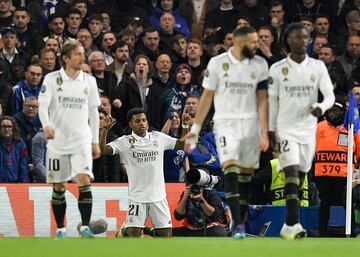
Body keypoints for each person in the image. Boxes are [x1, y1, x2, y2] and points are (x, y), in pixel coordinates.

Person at [185, 26, 270, 239]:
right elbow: (206, 97)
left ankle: (239, 220)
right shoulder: (218, 63)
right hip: (225, 124)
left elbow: (262, 100)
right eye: (252, 42)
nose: (256, 46)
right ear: (238, 43)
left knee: (244, 178)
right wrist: (195, 129)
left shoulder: (260, 65)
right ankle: (238, 227)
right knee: (230, 170)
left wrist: (265, 131)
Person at [268, 23, 335, 240]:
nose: (302, 41)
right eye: (298, 37)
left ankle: (288, 224)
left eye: (305, 37)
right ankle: (295, 223)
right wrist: (271, 131)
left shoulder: (317, 67)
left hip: (308, 130)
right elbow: (272, 102)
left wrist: (321, 108)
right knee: (292, 170)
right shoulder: (278, 69)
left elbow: (329, 96)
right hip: (286, 128)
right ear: (288, 40)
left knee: (302, 173)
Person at [38, 42, 101, 239]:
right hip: (57, 142)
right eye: (77, 54)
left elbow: (94, 112)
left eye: (83, 54)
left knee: (84, 180)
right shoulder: (51, 79)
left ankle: (84, 227)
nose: (82, 58)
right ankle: (60, 228)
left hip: (81, 139)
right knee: (59, 186)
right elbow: (42, 105)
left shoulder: (89, 81)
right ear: (65, 57)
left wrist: (95, 141)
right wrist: (46, 124)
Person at [100, 108, 185, 238]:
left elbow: (182, 144)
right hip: (137, 198)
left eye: (144, 120)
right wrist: (105, 129)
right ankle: (124, 232)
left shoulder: (158, 137)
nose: (142, 123)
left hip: (159, 197)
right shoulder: (125, 141)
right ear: (130, 124)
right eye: (138, 121)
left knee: (166, 238)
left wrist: (185, 126)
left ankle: (140, 230)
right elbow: (102, 150)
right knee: (133, 238)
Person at [314, 96, 360, 237]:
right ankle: (322, 233)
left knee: (347, 204)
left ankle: (351, 232)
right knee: (325, 204)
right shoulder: (319, 127)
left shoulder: (352, 128)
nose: (333, 113)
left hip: (344, 176)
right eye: (330, 110)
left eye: (336, 111)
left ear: (343, 112)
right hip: (324, 174)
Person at [0, 115, 29, 183]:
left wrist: (24, 183)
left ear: (13, 128)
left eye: (9, 126)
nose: (7, 129)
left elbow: (23, 164)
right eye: (4, 126)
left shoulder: (20, 144)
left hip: (16, 184)